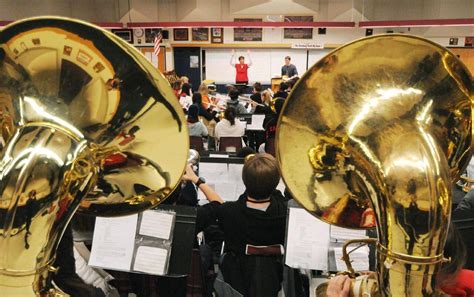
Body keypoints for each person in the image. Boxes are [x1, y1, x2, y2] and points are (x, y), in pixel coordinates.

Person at [182, 153, 288, 297]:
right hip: (276, 277)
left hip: (236, 279)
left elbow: (217, 203)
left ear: (244, 180)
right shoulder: (286, 211)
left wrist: (196, 179)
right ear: (276, 183)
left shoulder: (230, 212)